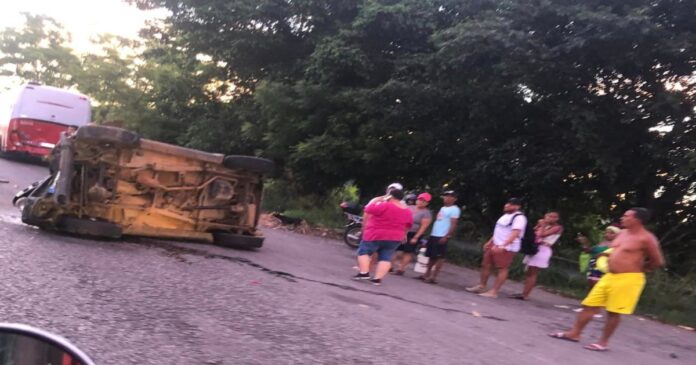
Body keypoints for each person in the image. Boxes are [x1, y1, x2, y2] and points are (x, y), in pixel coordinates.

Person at [549, 208, 664, 352]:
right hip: (609, 276)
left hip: (628, 278)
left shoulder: (646, 238)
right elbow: (615, 251)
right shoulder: (622, 234)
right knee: (589, 305)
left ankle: (603, 342)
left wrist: (641, 268)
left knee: (613, 311)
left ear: (637, 220)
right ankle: (574, 333)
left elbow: (657, 261)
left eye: (626, 216)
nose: (622, 218)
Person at [466, 197, 527, 298]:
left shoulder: (519, 218)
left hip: (506, 247)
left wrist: (504, 245)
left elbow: (515, 233)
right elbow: (499, 230)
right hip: (495, 244)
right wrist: (490, 241)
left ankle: (494, 291)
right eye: (507, 203)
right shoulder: (505, 216)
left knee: (502, 268)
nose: (507, 205)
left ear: (517, 207)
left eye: (511, 204)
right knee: (486, 264)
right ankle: (482, 285)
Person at [353, 189, 413, 285]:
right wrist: (403, 234)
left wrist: (378, 199)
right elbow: (408, 225)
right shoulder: (407, 211)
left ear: (390, 196)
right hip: (395, 237)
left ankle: (364, 272)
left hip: (376, 234)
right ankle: (377, 279)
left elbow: (368, 209)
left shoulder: (385, 205)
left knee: (363, 251)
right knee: (385, 257)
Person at [509, 211, 563, 300]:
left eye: (554, 217)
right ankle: (524, 292)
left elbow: (542, 234)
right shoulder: (543, 225)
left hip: (543, 249)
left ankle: (525, 295)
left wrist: (542, 225)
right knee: (529, 272)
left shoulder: (557, 227)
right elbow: (534, 234)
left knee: (533, 273)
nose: (551, 218)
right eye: (549, 216)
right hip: (534, 248)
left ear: (557, 219)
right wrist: (539, 225)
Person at [419, 191, 460, 284]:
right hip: (435, 234)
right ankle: (427, 274)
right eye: (446, 196)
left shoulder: (455, 209)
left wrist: (447, 236)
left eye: (450, 197)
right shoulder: (443, 208)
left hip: (442, 235)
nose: (447, 198)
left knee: (439, 257)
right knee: (431, 256)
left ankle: (434, 277)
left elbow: (453, 224)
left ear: (454, 199)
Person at [392, 192, 433, 275]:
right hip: (403, 231)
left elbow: (423, 227)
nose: (421, 202)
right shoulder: (410, 207)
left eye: (424, 201)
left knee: (408, 251)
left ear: (427, 203)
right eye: (420, 199)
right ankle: (390, 266)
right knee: (396, 249)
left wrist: (416, 237)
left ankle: (401, 269)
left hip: (414, 233)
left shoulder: (426, 213)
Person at [578, 225, 620, 290]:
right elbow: (589, 251)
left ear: (617, 235)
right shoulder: (601, 243)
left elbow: (615, 255)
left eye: (611, 233)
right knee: (591, 284)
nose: (607, 234)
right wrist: (584, 243)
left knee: (598, 287)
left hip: (603, 268)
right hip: (593, 266)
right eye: (606, 232)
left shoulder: (616, 245)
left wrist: (601, 254)